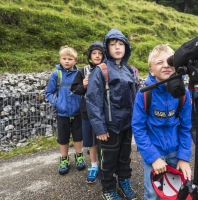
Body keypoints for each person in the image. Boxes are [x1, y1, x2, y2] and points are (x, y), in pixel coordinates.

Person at [131, 44, 192, 199]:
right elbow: (138, 128)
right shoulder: (144, 94)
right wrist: (153, 157)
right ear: (151, 70)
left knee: (174, 190)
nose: (166, 65)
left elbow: (186, 127)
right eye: (159, 62)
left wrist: (184, 157)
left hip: (175, 151)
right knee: (153, 192)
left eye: (170, 62)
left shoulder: (183, 94)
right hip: (153, 150)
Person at [85, 28, 137, 200]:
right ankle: (108, 189)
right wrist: (99, 128)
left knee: (124, 157)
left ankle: (124, 182)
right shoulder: (101, 70)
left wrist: (137, 122)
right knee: (108, 160)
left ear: (126, 47)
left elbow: (135, 98)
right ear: (107, 47)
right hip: (109, 127)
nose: (117, 47)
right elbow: (93, 100)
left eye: (121, 44)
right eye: (113, 44)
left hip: (127, 125)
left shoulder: (129, 70)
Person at [46, 45, 85, 175]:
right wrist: (57, 103)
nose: (67, 61)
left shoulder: (80, 73)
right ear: (60, 59)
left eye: (70, 59)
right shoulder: (56, 74)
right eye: (64, 58)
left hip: (77, 112)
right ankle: (64, 159)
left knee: (78, 137)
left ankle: (79, 156)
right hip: (62, 113)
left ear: (75, 61)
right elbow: (49, 93)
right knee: (63, 138)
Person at [70, 41, 105, 183]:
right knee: (91, 141)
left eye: (100, 53)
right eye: (94, 53)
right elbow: (74, 88)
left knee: (105, 141)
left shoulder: (107, 69)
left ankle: (105, 168)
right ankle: (94, 166)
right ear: (89, 56)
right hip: (87, 112)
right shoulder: (83, 71)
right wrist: (83, 85)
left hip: (104, 111)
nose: (97, 56)